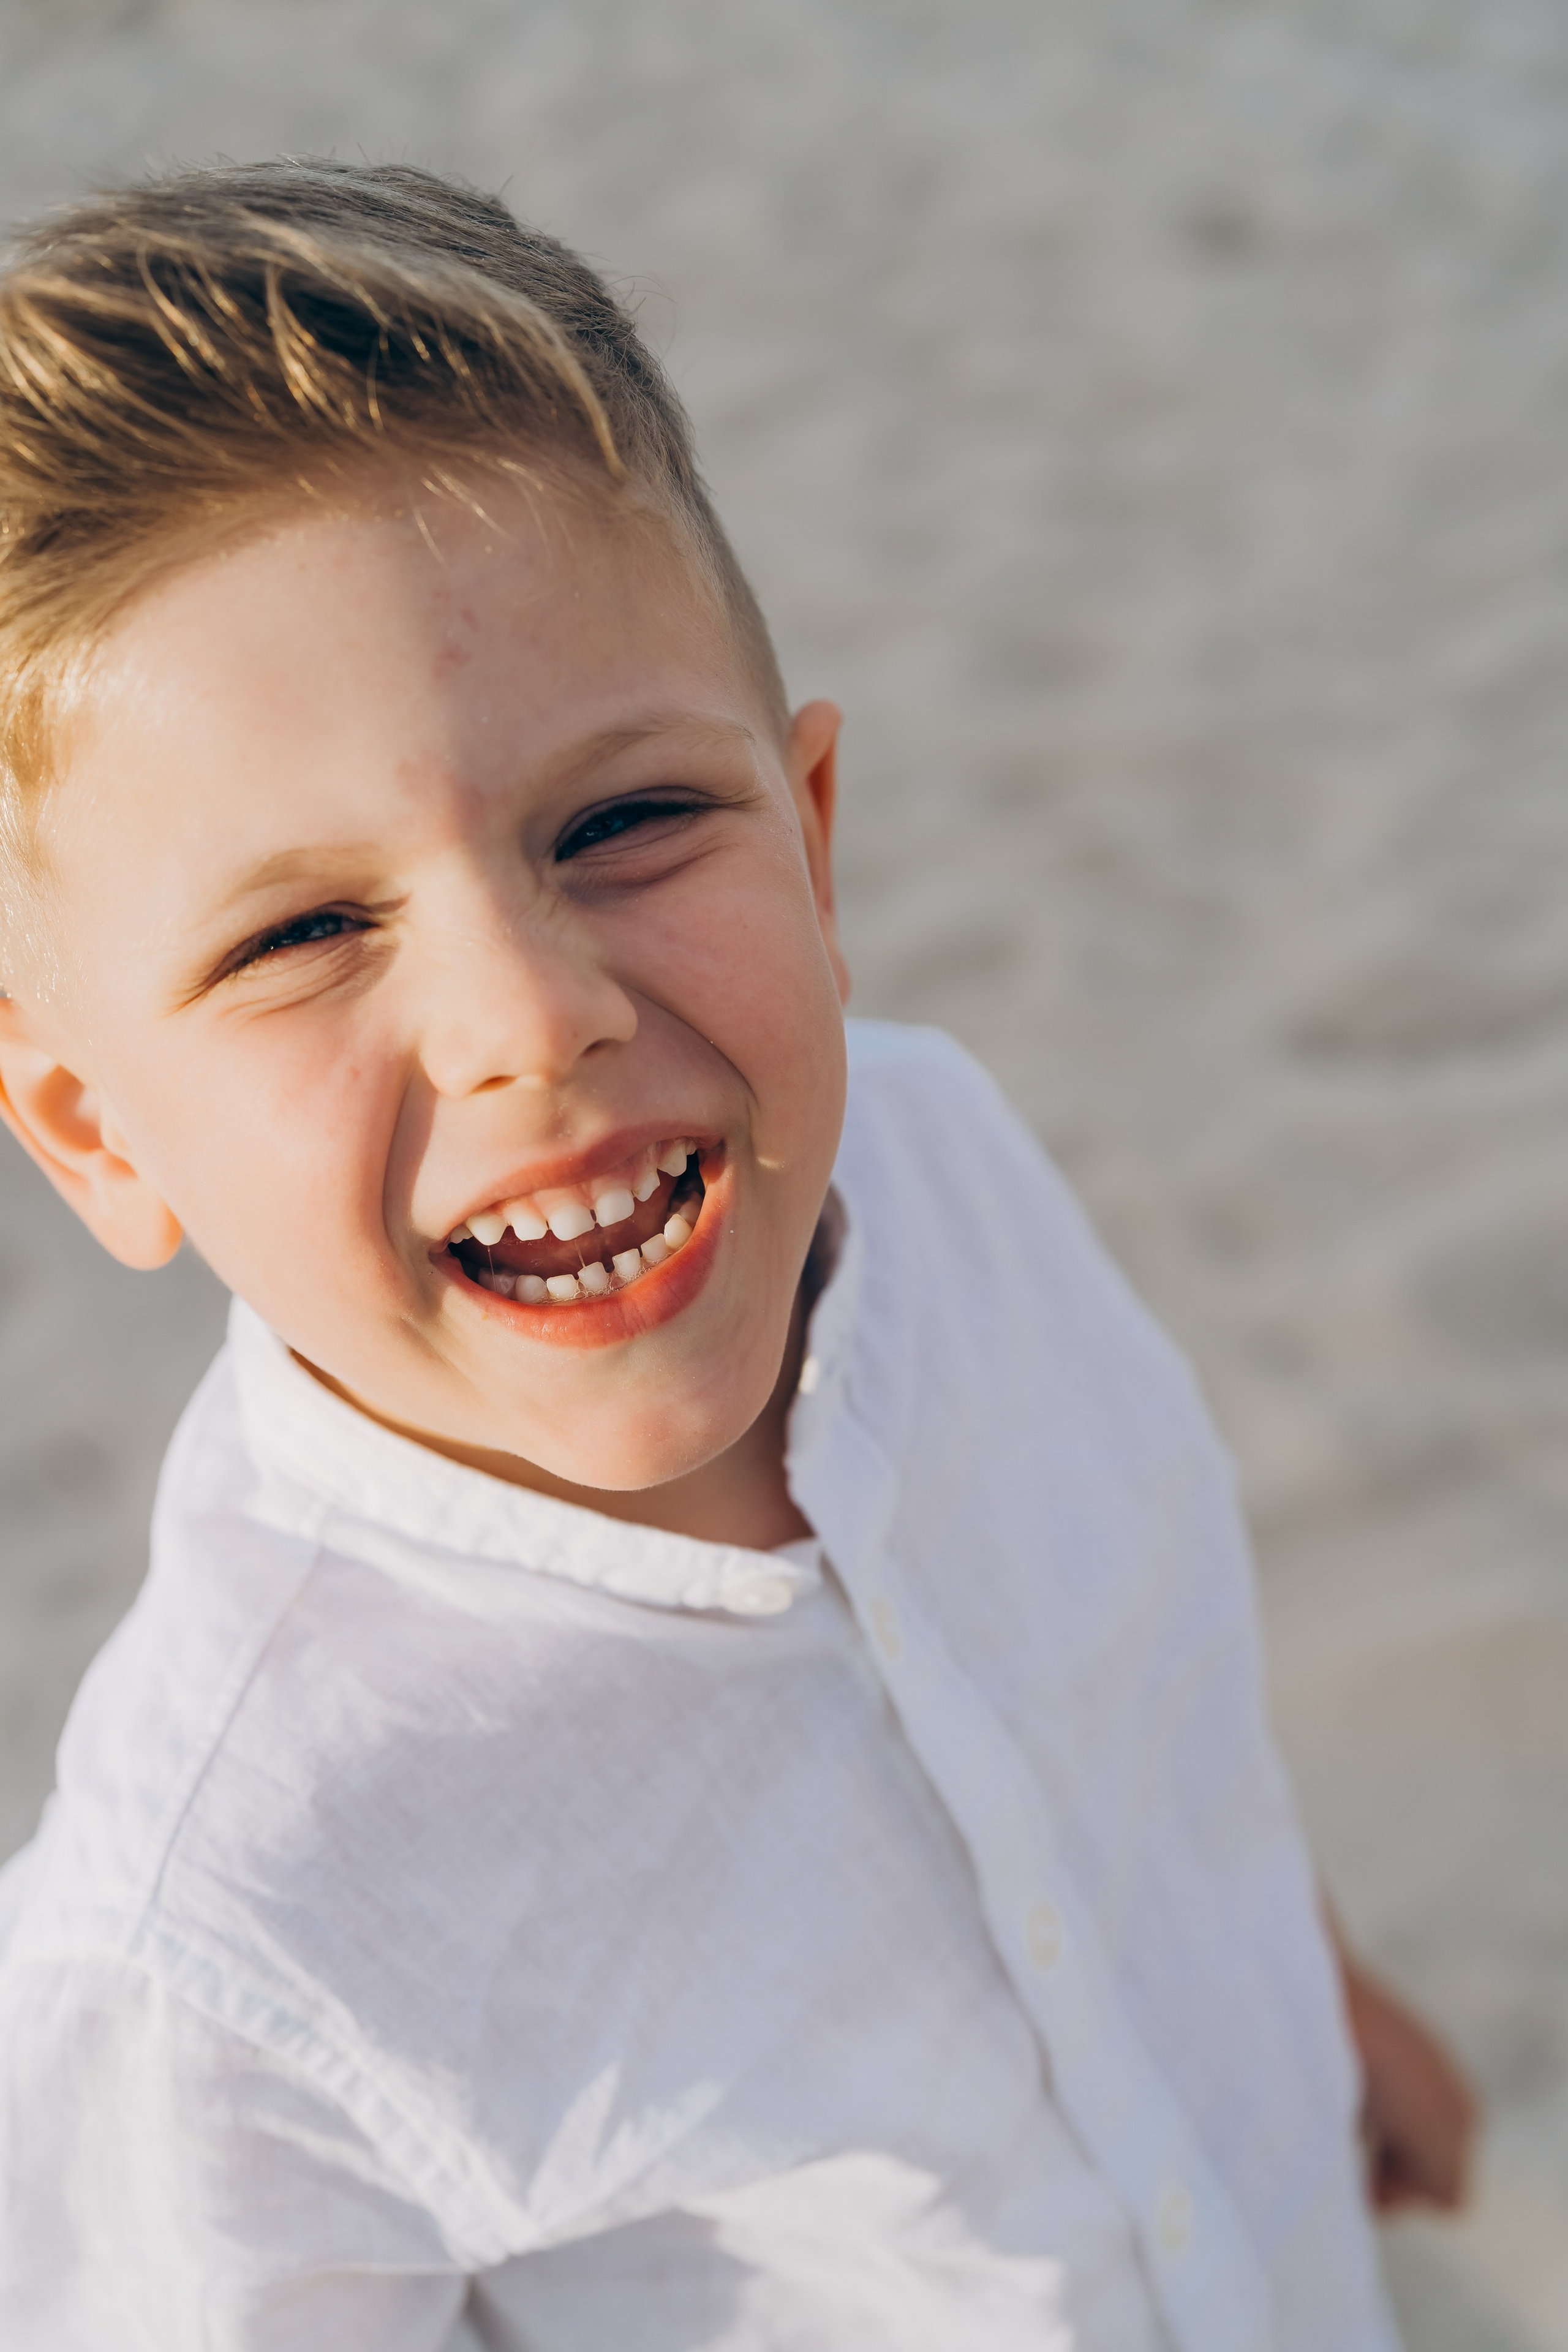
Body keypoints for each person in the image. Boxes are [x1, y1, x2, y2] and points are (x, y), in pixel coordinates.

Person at [0, 160, 1472, 2351]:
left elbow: (1128, 1690)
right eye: (305, 934)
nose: (535, 1012)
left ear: (816, 843)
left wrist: (1314, 1997)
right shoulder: (232, 1934)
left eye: (623, 825)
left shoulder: (958, 1167)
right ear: (95, 1128)